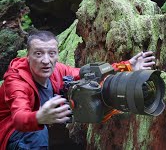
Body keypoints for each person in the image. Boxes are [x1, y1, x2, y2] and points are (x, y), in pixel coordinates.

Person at [0, 30, 156, 150]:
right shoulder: (17, 81)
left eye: (51, 53)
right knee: (37, 134)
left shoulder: (57, 71)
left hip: (42, 124)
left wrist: (128, 66)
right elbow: (19, 118)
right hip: (11, 133)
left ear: (57, 55)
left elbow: (88, 75)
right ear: (28, 56)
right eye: (38, 54)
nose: (46, 60)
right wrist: (39, 117)